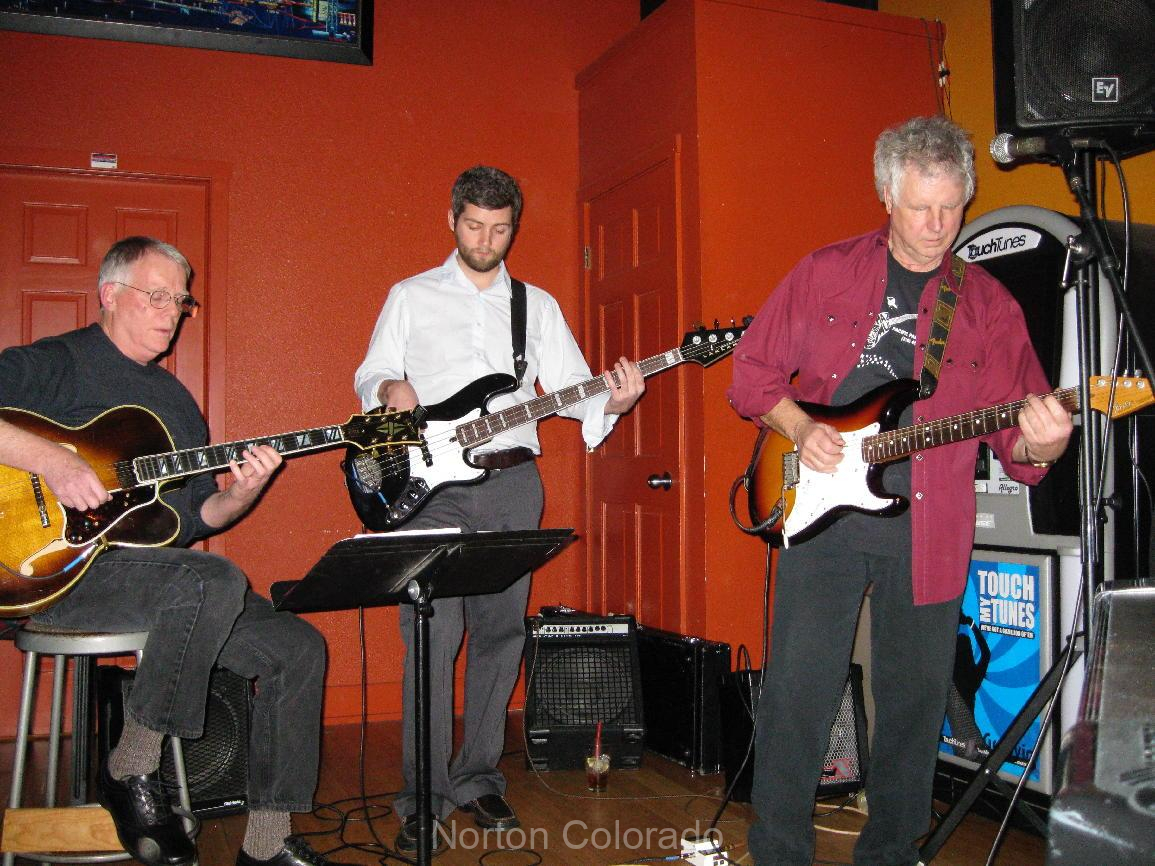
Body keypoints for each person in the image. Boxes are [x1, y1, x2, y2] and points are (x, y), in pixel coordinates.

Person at [726, 116, 1073, 866]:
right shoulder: (825, 272)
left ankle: (889, 852)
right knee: (797, 693)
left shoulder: (987, 305)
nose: (937, 225)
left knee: (914, 706)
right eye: (920, 207)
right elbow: (749, 374)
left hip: (930, 526)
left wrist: (1043, 443)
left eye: (951, 207)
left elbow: (1017, 440)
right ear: (886, 195)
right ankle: (778, 851)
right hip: (822, 515)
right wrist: (799, 426)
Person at [0, 237, 350, 866]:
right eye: (157, 296)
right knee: (210, 580)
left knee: (296, 646)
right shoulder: (57, 363)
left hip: (148, 574)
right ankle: (132, 768)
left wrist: (243, 492)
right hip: (49, 573)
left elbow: (193, 520)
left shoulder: (175, 403)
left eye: (180, 300)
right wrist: (52, 460)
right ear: (110, 294)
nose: (173, 312)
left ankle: (266, 843)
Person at [354, 165, 644, 854]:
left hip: (514, 483)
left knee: (500, 633)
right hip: (431, 489)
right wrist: (390, 387)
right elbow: (370, 373)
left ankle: (477, 777)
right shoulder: (410, 296)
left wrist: (614, 401)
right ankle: (422, 795)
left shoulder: (534, 306)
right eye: (474, 226)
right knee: (431, 634)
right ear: (452, 220)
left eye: (500, 229)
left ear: (514, 228)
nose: (485, 240)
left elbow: (573, 387)